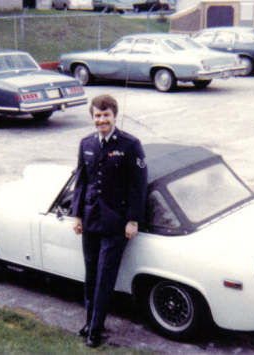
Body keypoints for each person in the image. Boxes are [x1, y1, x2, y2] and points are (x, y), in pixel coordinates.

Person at [71, 94, 148, 348]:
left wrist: (133, 220)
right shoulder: (86, 144)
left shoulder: (130, 144)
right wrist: (77, 214)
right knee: (91, 275)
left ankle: (95, 331)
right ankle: (92, 321)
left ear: (114, 116)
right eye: (97, 115)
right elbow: (81, 181)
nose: (101, 120)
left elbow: (138, 186)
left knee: (105, 276)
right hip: (91, 219)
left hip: (117, 222)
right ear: (92, 117)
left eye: (106, 115)